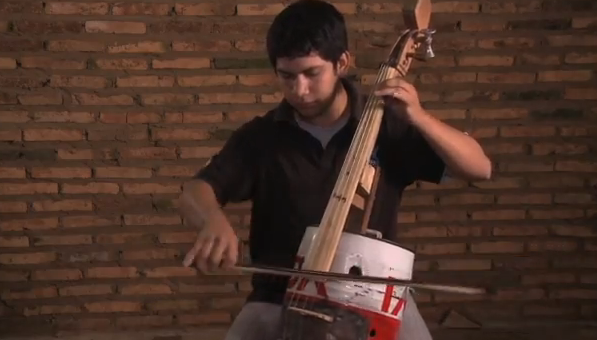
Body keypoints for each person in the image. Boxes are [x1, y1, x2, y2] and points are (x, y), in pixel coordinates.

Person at [178, 1, 492, 339]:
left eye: (312, 73)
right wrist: (211, 218)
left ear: (342, 62)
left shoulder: (386, 126)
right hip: (280, 297)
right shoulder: (263, 136)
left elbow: (479, 168)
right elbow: (197, 190)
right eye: (287, 76)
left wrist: (418, 116)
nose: (300, 90)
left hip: (373, 299)